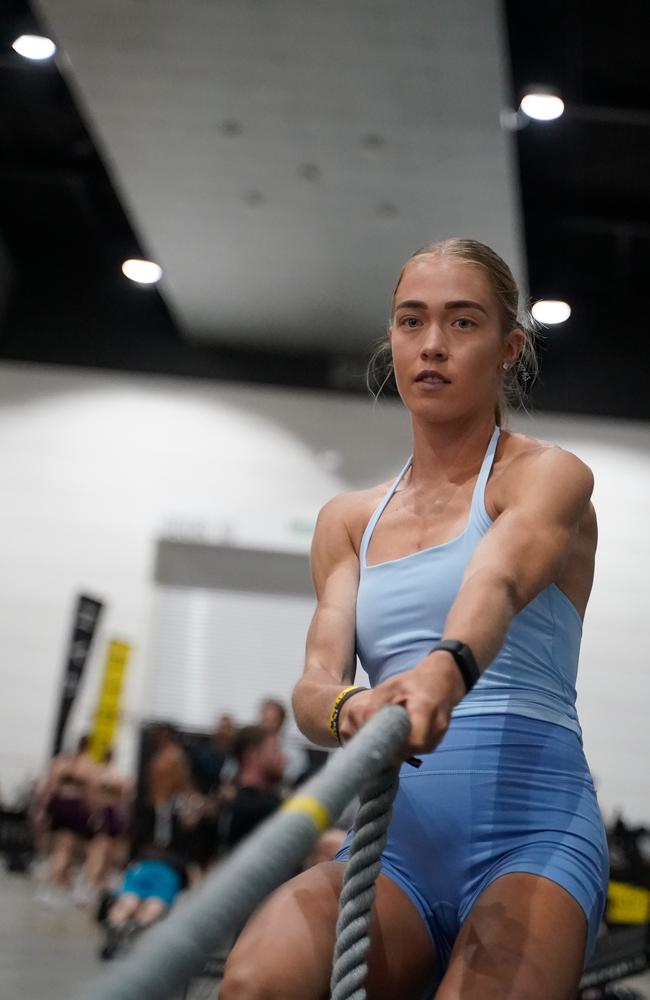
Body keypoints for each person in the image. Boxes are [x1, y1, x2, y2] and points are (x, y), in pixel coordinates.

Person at [220, 238, 609, 999]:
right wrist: (350, 708)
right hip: (394, 854)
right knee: (255, 983)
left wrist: (445, 665)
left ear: (509, 348)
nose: (432, 345)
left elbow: (495, 577)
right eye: (411, 322)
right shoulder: (346, 521)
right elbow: (312, 687)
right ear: (391, 340)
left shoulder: (545, 477)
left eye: (463, 324)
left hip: (531, 843)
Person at [223, 725, 285, 851]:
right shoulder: (262, 808)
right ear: (252, 755)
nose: (283, 758)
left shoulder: (228, 798)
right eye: (275, 750)